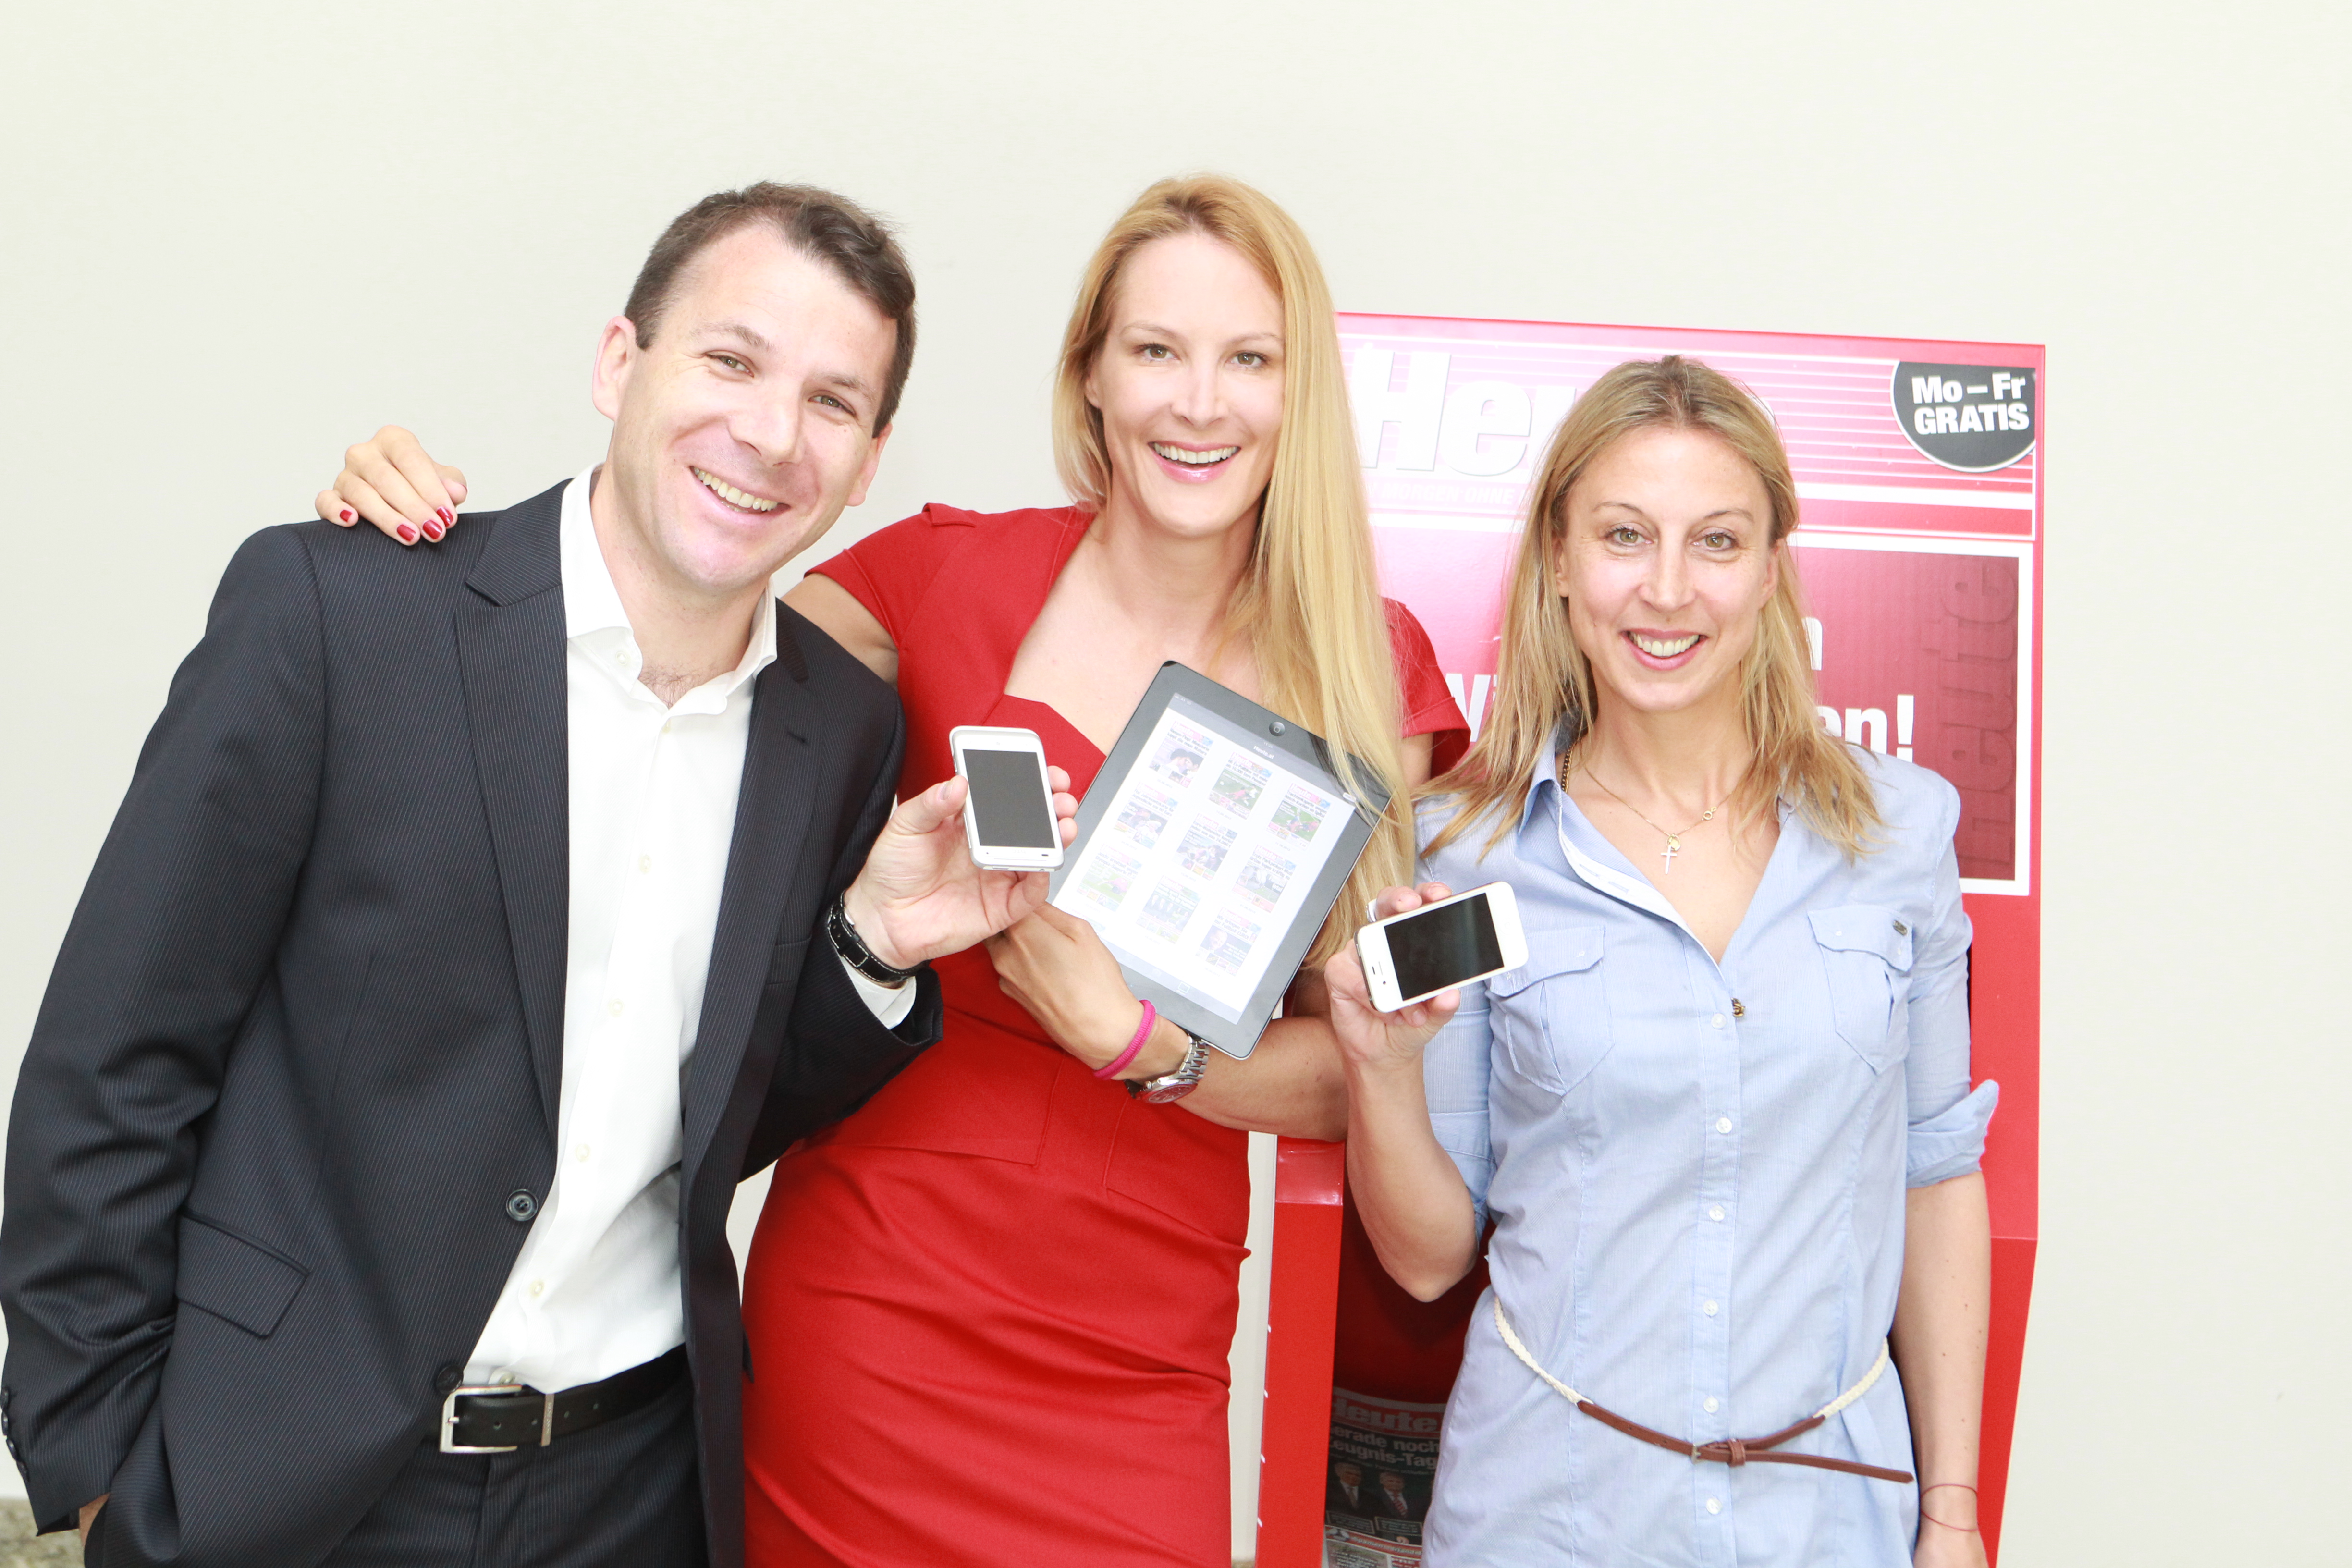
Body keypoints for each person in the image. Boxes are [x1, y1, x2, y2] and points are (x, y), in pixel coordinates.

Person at [315, 174, 1469, 1566]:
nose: (1199, 402)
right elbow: (657, 632)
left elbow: (1356, 1071)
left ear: (1304, 393)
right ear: (1091, 376)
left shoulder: (1365, 668)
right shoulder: (929, 579)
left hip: (1140, 1352)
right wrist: (433, 552)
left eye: (1250, 360)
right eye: (1156, 350)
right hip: (869, 1311)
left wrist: (1137, 1045)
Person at [1, 182, 1075, 1568]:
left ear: (867, 462)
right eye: (731, 360)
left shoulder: (843, 729)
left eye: (831, 402)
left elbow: (709, 1116)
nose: (770, 434)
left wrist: (870, 939)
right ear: (620, 363)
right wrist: (101, 1473)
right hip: (287, 1483)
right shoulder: (342, 610)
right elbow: (113, 1063)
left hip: (630, 1490)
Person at [1328, 356, 1997, 1566]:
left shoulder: (1904, 832)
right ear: (1561, 561)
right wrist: (1379, 1070)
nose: (1669, 589)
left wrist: (1951, 1509)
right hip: (1547, 1518)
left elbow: (1936, 1177)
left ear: (1773, 569)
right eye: (1625, 536)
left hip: (1830, 1521)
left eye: (1718, 541)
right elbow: (1428, 1261)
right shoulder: (1461, 852)